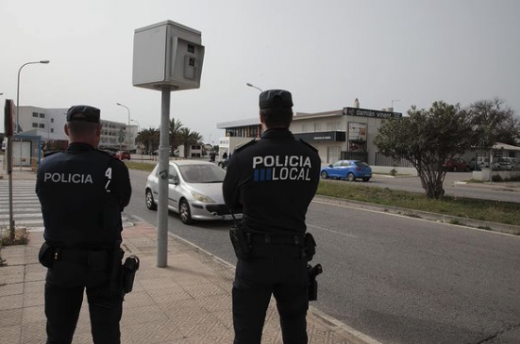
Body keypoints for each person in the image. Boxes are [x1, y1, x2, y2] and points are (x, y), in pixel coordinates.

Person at [223, 89, 321, 344]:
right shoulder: (310, 157)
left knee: (247, 333)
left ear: (261, 117)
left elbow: (231, 202)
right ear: (291, 116)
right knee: (295, 331)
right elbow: (304, 194)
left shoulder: (243, 157)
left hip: (255, 259)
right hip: (294, 257)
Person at [36, 105, 132, 344]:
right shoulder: (113, 167)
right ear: (98, 130)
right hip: (104, 266)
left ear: (67, 129)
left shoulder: (46, 166)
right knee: (107, 335)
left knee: (58, 334)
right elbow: (122, 202)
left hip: (60, 262)